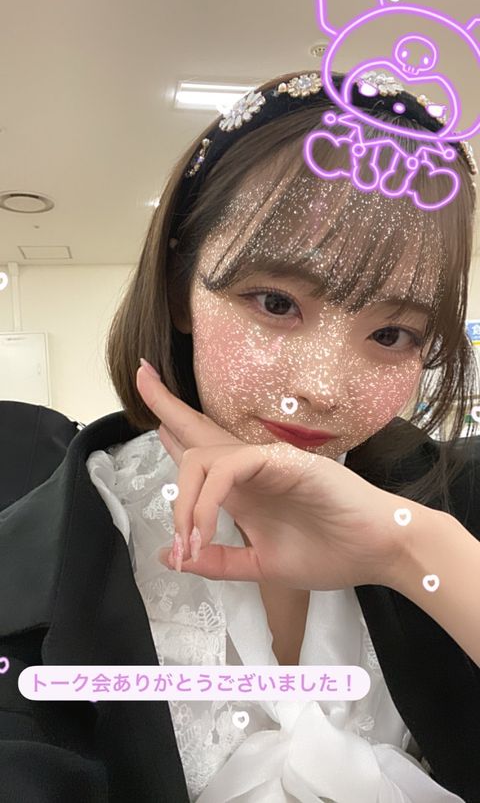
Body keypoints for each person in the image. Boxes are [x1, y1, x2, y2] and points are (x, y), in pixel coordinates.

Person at [0, 68, 479, 803]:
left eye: (391, 334)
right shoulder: (58, 544)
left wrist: (412, 551)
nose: (323, 386)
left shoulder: (454, 501)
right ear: (180, 285)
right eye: (276, 302)